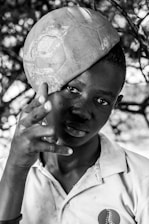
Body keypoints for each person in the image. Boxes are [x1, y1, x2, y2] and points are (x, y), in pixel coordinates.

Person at [0, 6, 149, 224]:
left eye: (102, 101)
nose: (83, 111)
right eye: (72, 90)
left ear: (116, 104)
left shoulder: (141, 179)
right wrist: (16, 168)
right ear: (45, 83)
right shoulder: (7, 173)